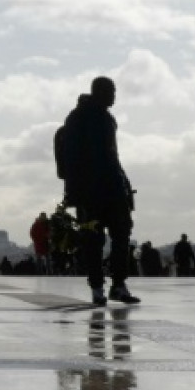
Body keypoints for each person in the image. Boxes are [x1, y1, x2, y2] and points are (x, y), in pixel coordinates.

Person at [59, 76, 140, 306]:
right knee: (95, 240)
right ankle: (98, 287)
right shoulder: (80, 118)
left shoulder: (104, 118)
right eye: (111, 91)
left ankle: (117, 285)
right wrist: (74, 193)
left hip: (112, 187)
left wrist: (124, 185)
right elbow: (72, 158)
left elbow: (113, 157)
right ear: (99, 92)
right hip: (91, 191)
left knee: (120, 236)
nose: (114, 95)